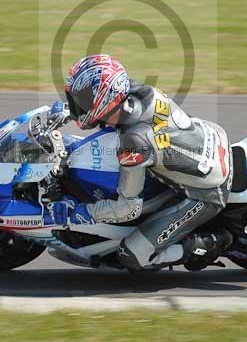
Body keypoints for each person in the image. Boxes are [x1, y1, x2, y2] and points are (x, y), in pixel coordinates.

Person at [44, 53, 233, 271]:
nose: (77, 104)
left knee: (133, 255)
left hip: (208, 191)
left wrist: (80, 213)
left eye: (82, 99)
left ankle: (209, 243)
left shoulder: (133, 142)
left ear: (104, 99)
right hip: (210, 137)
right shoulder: (137, 92)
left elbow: (128, 208)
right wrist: (66, 112)